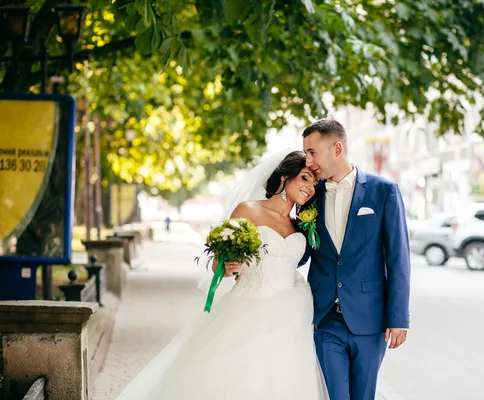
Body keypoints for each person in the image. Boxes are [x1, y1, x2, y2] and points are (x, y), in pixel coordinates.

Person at [116, 150, 329, 400]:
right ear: (285, 177)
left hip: (290, 317)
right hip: (247, 311)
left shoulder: (301, 226)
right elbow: (219, 259)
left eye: (314, 184)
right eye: (305, 178)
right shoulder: (248, 210)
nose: (310, 188)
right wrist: (226, 266)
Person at [301, 119, 411, 400]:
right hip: (325, 319)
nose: (308, 161)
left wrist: (398, 317)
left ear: (337, 148)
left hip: (370, 320)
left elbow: (398, 257)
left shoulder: (383, 191)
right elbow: (300, 250)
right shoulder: (310, 197)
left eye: (313, 152)